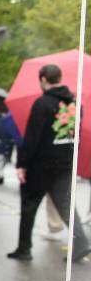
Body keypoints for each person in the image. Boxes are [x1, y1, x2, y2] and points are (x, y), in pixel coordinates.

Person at [8, 63, 90, 263]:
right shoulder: (74, 104)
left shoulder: (42, 103)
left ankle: (24, 248)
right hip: (64, 163)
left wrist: (22, 164)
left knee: (29, 205)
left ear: (44, 79)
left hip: (41, 165)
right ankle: (81, 244)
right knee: (66, 205)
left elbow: (32, 137)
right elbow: (76, 135)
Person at [0, 111, 20, 185]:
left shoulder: (3, 119)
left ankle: (0, 173)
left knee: (1, 160)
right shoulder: (10, 119)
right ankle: (0, 173)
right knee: (2, 159)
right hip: (5, 143)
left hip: (3, 143)